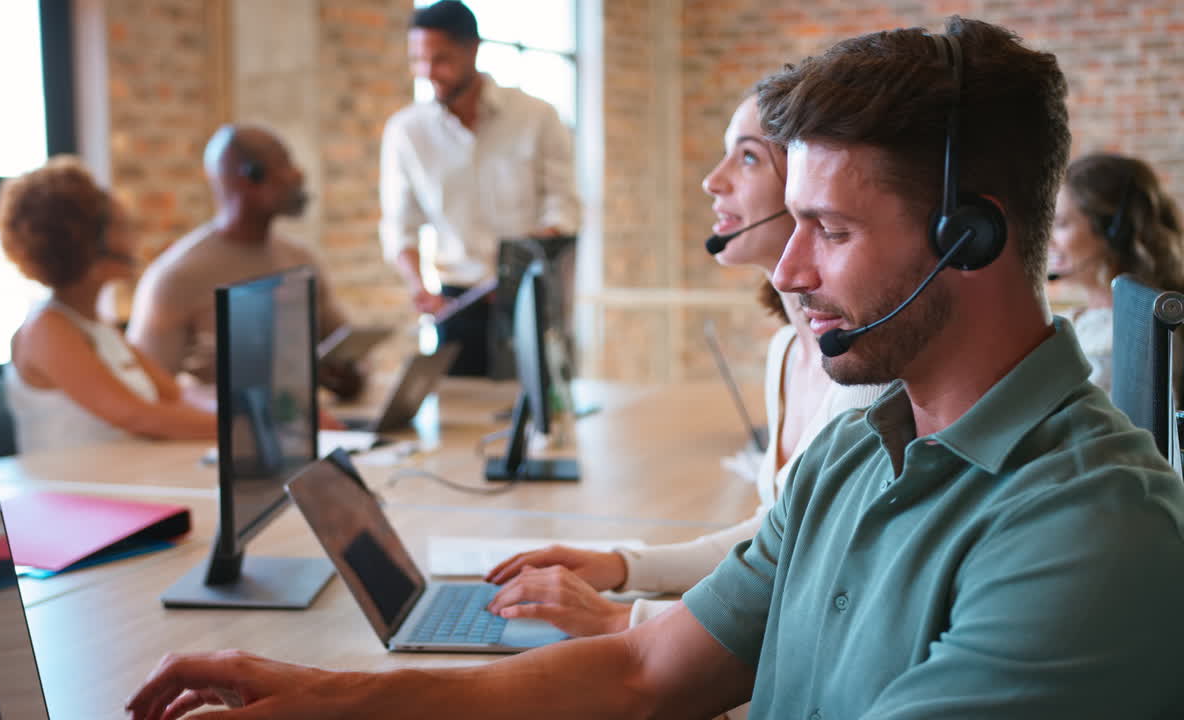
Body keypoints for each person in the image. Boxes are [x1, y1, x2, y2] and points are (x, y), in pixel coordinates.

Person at [126, 18, 1184, 720]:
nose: (793, 268)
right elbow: (641, 671)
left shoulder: (1089, 535)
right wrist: (325, 698)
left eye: (829, 229)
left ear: (969, 237)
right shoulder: (855, 460)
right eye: (794, 223)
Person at [481, 93, 886, 650]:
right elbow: (771, 542)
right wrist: (621, 567)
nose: (712, 181)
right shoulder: (788, 352)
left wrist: (626, 621)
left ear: (807, 185)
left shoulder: (868, 377)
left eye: (746, 158)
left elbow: (819, 590)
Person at [380, 0, 581, 376]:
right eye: (417, 60)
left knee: (539, 409)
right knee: (461, 413)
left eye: (440, 59)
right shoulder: (406, 132)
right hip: (457, 303)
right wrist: (417, 286)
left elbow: (563, 208)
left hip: (529, 293)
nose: (427, 72)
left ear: (472, 49)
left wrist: (516, 268)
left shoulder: (537, 117)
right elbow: (399, 224)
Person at [127, 124, 362, 406]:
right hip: (214, 438)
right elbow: (148, 391)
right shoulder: (177, 277)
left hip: (296, 426)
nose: (298, 174)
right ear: (250, 177)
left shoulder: (301, 259)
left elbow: (347, 351)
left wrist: (346, 375)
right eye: (284, 163)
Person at [0, 157, 215, 452]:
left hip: (123, 479)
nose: (135, 238)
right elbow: (139, 417)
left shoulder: (97, 325)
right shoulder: (46, 330)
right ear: (87, 245)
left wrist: (242, 412)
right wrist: (239, 428)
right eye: (123, 227)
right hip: (73, 492)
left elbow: (174, 395)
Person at [1048, 152, 1184, 392]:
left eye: (1061, 224)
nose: (1048, 240)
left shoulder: (1137, 337)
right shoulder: (1073, 321)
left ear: (1113, 232)